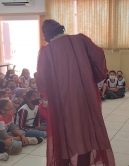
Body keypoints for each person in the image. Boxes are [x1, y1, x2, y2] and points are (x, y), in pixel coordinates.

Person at [37, 19, 114, 166]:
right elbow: (99, 58)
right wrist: (91, 77)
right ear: (61, 29)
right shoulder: (81, 40)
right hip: (85, 96)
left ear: (46, 36)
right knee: (85, 131)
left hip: (61, 103)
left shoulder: (47, 51)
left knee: (64, 134)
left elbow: (42, 81)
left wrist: (49, 96)